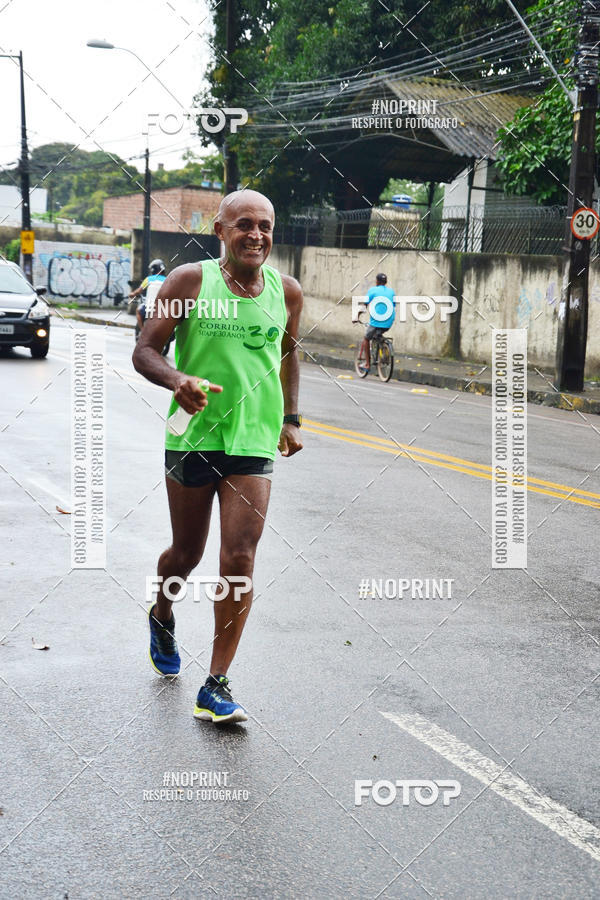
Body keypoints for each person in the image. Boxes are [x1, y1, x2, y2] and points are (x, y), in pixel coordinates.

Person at [132, 189, 303, 725]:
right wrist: (178, 379)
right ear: (221, 231)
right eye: (244, 225)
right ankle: (162, 613)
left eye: (266, 225)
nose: (257, 235)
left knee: (240, 558)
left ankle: (216, 682)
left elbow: (288, 356)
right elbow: (145, 350)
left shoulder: (287, 291)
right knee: (186, 554)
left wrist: (291, 419)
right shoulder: (190, 281)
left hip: (252, 440)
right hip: (194, 434)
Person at [358, 273, 395, 372]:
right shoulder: (391, 292)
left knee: (366, 339)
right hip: (389, 322)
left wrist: (357, 315)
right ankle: (383, 347)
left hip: (376, 322)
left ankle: (367, 364)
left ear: (377, 281)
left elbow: (364, 304)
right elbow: (393, 305)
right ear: (386, 282)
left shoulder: (373, 290)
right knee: (378, 334)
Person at [130, 259, 167, 329]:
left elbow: (138, 292)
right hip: (164, 308)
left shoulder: (149, 279)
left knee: (138, 311)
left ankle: (143, 331)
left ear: (153, 270)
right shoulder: (168, 280)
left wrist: (132, 294)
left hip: (150, 307)